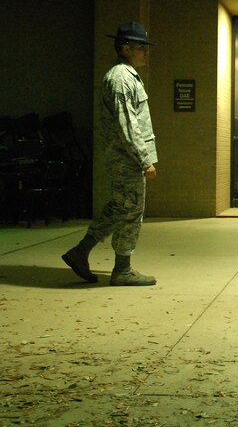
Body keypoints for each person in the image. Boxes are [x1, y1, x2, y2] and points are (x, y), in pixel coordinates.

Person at [62, 21, 158, 287]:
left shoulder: (126, 77)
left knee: (119, 208)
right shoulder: (120, 80)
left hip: (124, 156)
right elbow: (128, 125)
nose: (146, 52)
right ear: (126, 48)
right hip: (126, 158)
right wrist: (143, 159)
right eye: (141, 47)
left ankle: (80, 252)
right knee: (131, 211)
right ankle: (122, 269)